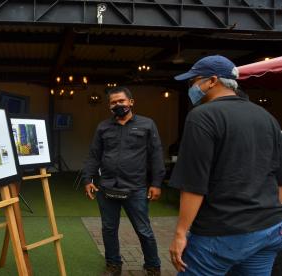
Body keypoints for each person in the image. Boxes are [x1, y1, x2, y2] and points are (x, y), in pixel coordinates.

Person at [168, 55, 282, 275]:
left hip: (220, 233)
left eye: (194, 81)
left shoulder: (202, 116)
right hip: (269, 229)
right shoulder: (267, 117)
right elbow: (279, 177)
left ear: (212, 80)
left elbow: (193, 183)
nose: (191, 87)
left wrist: (180, 233)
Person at [82, 86, 165, 276]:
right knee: (109, 229)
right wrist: (88, 179)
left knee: (143, 230)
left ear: (131, 102)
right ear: (109, 106)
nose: (118, 105)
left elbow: (156, 155)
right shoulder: (103, 127)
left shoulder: (147, 124)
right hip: (107, 188)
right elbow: (94, 155)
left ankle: (153, 266)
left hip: (135, 188)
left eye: (121, 101)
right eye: (113, 102)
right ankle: (113, 265)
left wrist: (156, 183)